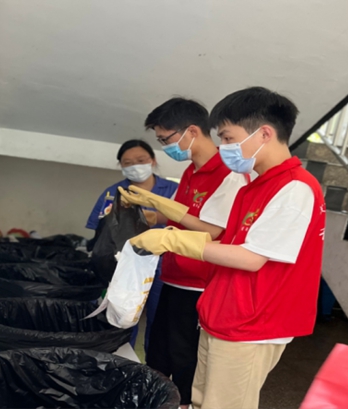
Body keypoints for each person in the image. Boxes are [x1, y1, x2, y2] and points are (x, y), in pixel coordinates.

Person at [128, 87, 326, 409]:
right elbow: (227, 245)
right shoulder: (257, 186)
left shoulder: (295, 188)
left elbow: (251, 258)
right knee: (202, 400)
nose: (223, 147)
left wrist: (171, 239)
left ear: (264, 134)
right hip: (223, 313)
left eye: (228, 138)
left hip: (252, 323)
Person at [119, 97, 249, 408]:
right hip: (174, 277)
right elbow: (180, 217)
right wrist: (147, 213)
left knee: (185, 359)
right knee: (158, 355)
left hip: (199, 284)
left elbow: (212, 231)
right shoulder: (191, 170)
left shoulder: (228, 174)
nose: (165, 147)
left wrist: (161, 211)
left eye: (166, 139)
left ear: (191, 131)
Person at [85, 139, 177, 351]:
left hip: (165, 267)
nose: (135, 166)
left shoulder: (173, 190)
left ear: (153, 160)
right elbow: (100, 233)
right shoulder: (112, 193)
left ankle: (152, 365)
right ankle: (122, 360)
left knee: (160, 322)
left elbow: (189, 222)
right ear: (121, 165)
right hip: (125, 268)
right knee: (123, 319)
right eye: (128, 163)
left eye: (141, 160)